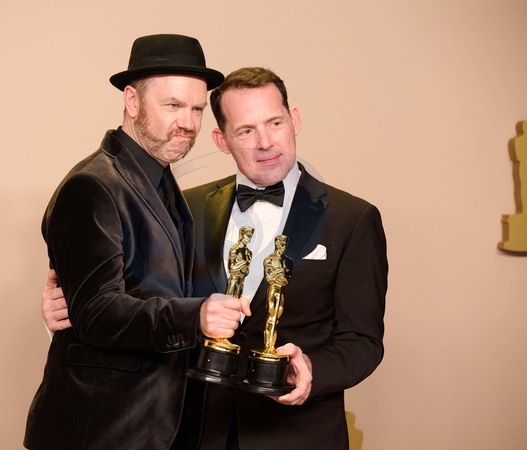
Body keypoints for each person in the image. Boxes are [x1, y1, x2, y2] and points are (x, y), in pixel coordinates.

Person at [43, 67, 388, 449]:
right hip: (192, 435)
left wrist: (311, 369)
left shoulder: (353, 218)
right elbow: (129, 303)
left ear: (295, 120)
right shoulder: (182, 208)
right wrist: (71, 309)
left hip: (298, 436)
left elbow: (363, 341)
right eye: (246, 131)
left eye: (274, 123)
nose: (265, 143)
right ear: (221, 140)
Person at [24, 34, 253, 450]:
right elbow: (96, 313)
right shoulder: (91, 186)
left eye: (197, 109)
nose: (188, 123)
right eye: (173, 106)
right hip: (103, 433)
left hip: (160, 429)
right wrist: (196, 317)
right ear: (132, 101)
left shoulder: (163, 182)